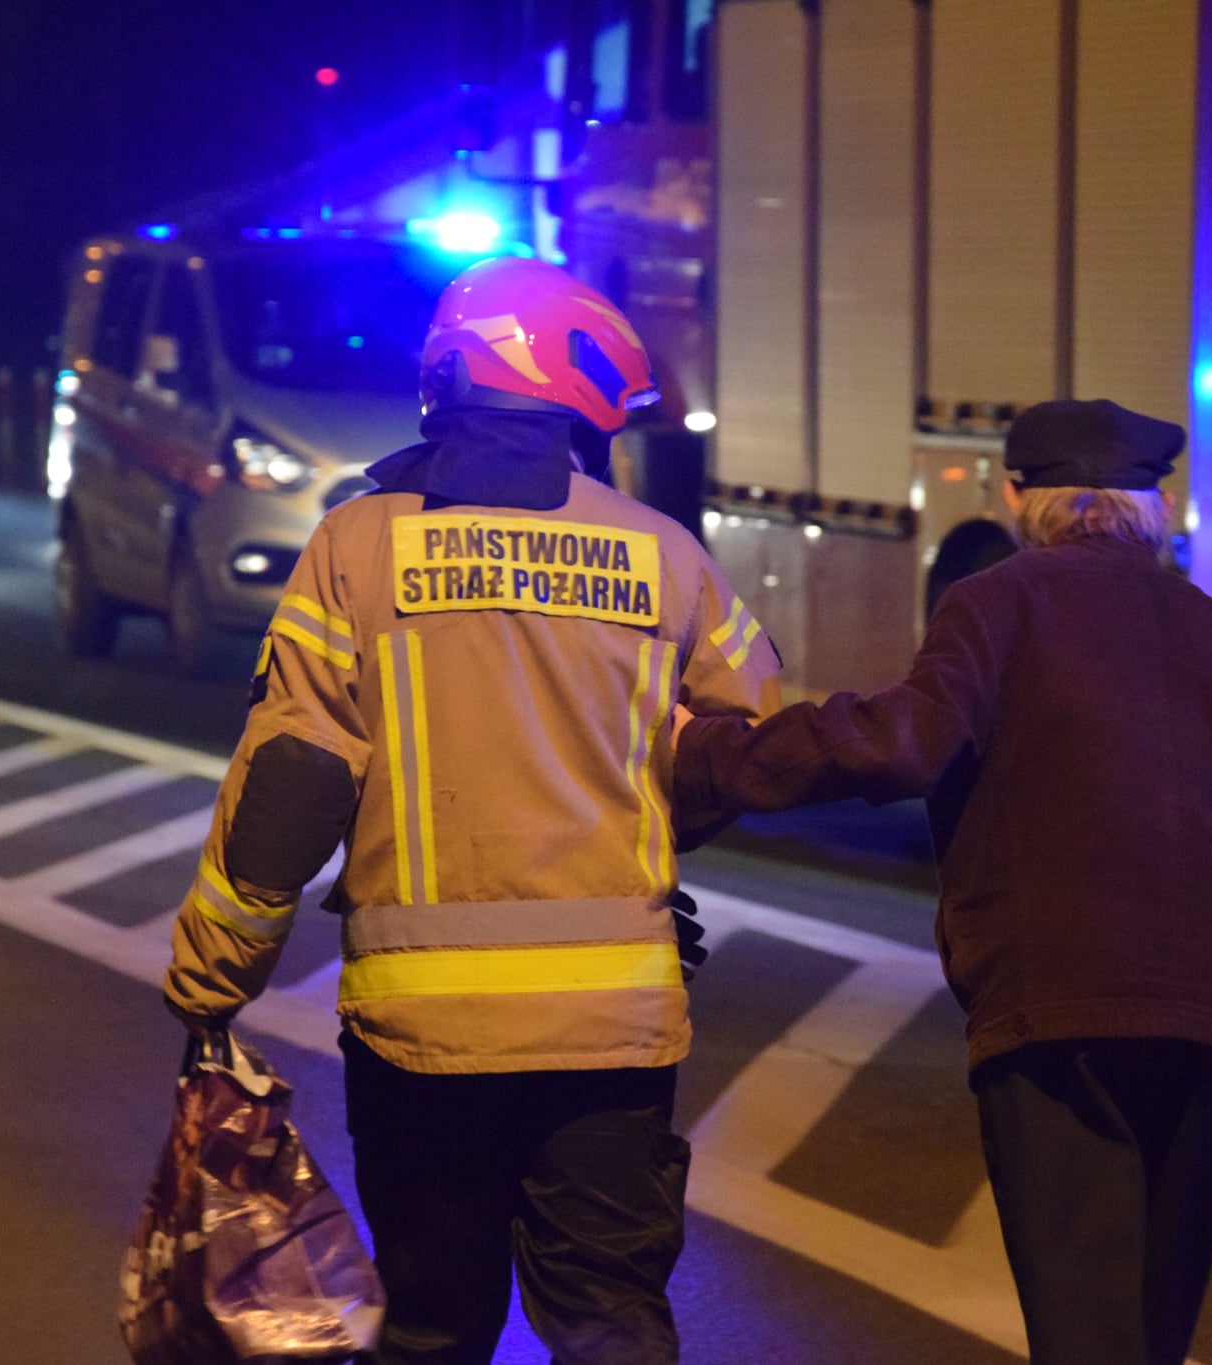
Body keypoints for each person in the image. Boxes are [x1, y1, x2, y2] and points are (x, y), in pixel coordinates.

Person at [162, 255, 782, 1365]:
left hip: (425, 1039)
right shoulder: (665, 556)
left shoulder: (360, 546)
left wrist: (213, 979)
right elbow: (747, 747)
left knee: (437, 1327)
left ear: (450, 374)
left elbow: (295, 781)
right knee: (609, 1324)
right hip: (615, 1028)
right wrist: (645, 845)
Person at [672, 398, 1212, 1365]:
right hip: (1205, 1023)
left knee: (1082, 1325)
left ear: (1015, 494)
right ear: (1155, 505)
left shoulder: (997, 602)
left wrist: (713, 761)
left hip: (1057, 1011)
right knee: (1154, 1328)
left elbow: (904, 743)